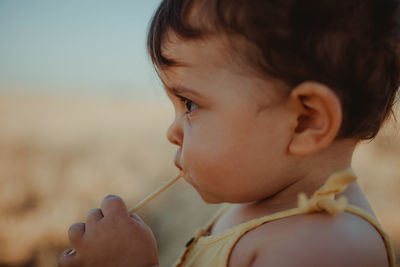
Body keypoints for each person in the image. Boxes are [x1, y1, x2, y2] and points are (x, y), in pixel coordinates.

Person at [58, 0, 400, 266]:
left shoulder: (326, 248)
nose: (172, 132)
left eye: (189, 103)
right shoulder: (261, 203)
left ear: (305, 121)